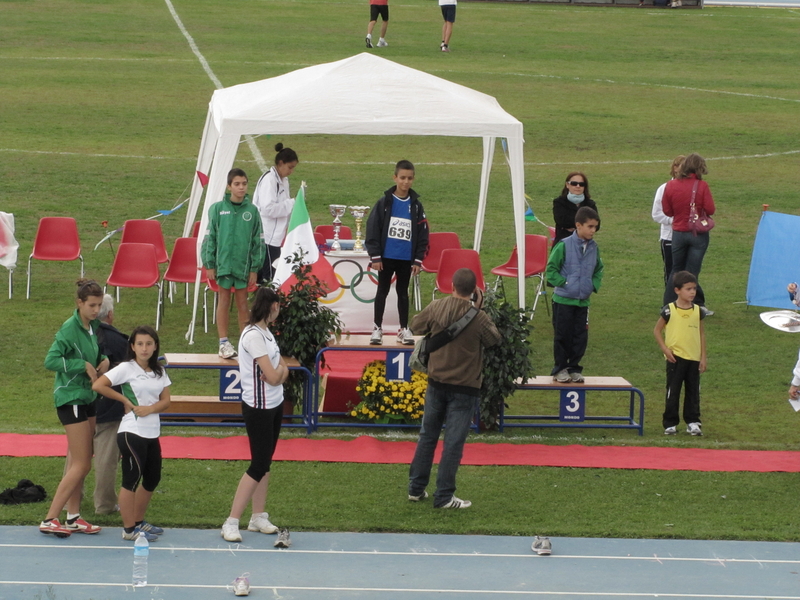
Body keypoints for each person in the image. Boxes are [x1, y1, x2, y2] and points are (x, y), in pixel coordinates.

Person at [408, 268, 501, 508]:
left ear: (451, 285)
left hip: (436, 382)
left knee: (427, 436)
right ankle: (444, 496)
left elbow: (416, 326)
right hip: (465, 387)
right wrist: (478, 310)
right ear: (474, 291)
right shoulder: (478, 316)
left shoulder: (437, 306)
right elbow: (494, 340)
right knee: (453, 443)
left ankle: (416, 489)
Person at [40, 279, 109, 537]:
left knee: (83, 461)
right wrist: (82, 366)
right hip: (71, 399)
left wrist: (102, 361)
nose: (96, 310)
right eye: (92, 305)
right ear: (79, 303)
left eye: (99, 305)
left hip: (87, 397)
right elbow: (51, 360)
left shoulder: (91, 328)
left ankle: (73, 517)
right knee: (80, 463)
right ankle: (50, 517)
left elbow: (94, 356)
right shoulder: (70, 328)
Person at [221, 288, 290, 543]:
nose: (278, 311)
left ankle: (258, 516)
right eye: (278, 306)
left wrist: (280, 374)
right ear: (272, 306)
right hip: (258, 407)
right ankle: (231, 521)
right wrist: (280, 374)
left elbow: (282, 368)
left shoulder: (267, 333)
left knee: (266, 461)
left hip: (275, 403)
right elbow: (274, 375)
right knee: (258, 464)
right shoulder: (252, 336)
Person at [93, 325, 171, 541]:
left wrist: (150, 409)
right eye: (140, 344)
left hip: (152, 432)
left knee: (152, 478)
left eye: (148, 344)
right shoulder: (126, 368)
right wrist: (125, 401)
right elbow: (99, 385)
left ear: (155, 346)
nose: (144, 348)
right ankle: (129, 530)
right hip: (131, 432)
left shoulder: (160, 371)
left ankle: (138, 521)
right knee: (131, 479)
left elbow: (166, 401)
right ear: (133, 347)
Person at [202, 167, 265, 359]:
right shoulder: (217, 209)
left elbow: (258, 241)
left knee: (243, 305)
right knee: (223, 301)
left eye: (244, 184)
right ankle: (223, 343)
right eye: (236, 184)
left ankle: (245, 344)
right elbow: (210, 238)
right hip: (223, 266)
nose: (241, 188)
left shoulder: (252, 212)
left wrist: (254, 268)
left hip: (243, 268)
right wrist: (209, 263)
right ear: (229, 186)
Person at [365, 159, 429, 346]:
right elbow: (373, 228)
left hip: (405, 258)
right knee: (382, 291)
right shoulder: (385, 202)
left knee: (403, 292)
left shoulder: (416, 206)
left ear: (413, 179)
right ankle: (377, 328)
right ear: (395, 178)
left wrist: (417, 260)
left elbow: (423, 233)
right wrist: (375, 255)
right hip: (386, 257)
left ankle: (403, 328)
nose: (405, 182)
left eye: (409, 178)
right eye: (402, 178)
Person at [546, 206, 604, 384]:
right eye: (590, 226)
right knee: (563, 335)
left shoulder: (594, 248)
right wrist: (565, 283)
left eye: (595, 227)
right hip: (563, 300)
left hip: (583, 302)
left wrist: (591, 285)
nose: (593, 231)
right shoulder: (564, 245)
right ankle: (560, 369)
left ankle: (574, 368)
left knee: (580, 337)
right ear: (578, 225)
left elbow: (599, 269)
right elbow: (551, 270)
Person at [653, 271, 708, 436]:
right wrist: (665, 349)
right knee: (673, 390)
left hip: (694, 358)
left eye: (694, 289)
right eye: (688, 289)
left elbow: (701, 334)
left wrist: (703, 356)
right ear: (677, 290)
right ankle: (670, 423)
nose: (692, 292)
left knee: (693, 391)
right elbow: (657, 330)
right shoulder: (669, 310)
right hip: (675, 358)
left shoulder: (698, 311)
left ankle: (693, 421)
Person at [662, 153, 715, 309]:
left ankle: (668, 306)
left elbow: (667, 211)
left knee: (675, 270)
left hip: (678, 233)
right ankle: (688, 306)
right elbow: (711, 208)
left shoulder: (670, 185)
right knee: (692, 273)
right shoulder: (702, 186)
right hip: (697, 234)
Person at [92, 294, 128, 514]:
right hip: (110, 407)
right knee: (107, 460)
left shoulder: (81, 336)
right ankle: (104, 504)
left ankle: (70, 499)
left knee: (76, 458)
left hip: (80, 404)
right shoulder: (120, 341)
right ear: (110, 314)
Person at [252, 144, 298, 284]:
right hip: (266, 237)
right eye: (290, 167)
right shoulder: (269, 180)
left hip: (275, 236)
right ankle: (265, 305)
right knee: (269, 279)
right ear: (280, 163)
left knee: (268, 276)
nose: (291, 171)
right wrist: (291, 204)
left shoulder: (283, 180)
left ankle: (260, 305)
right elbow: (268, 209)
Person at [651, 155, 684, 286]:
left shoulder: (691, 189)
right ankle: (670, 302)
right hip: (669, 237)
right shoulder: (664, 188)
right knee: (671, 272)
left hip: (687, 236)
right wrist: (675, 221)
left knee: (687, 272)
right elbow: (656, 214)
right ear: (675, 168)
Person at [552, 172, 600, 244]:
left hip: (585, 242)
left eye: (581, 184)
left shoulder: (590, 204)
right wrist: (584, 225)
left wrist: (572, 226)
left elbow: (597, 224)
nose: (578, 186)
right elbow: (562, 222)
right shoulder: (559, 202)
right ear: (567, 185)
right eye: (574, 183)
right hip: (563, 243)